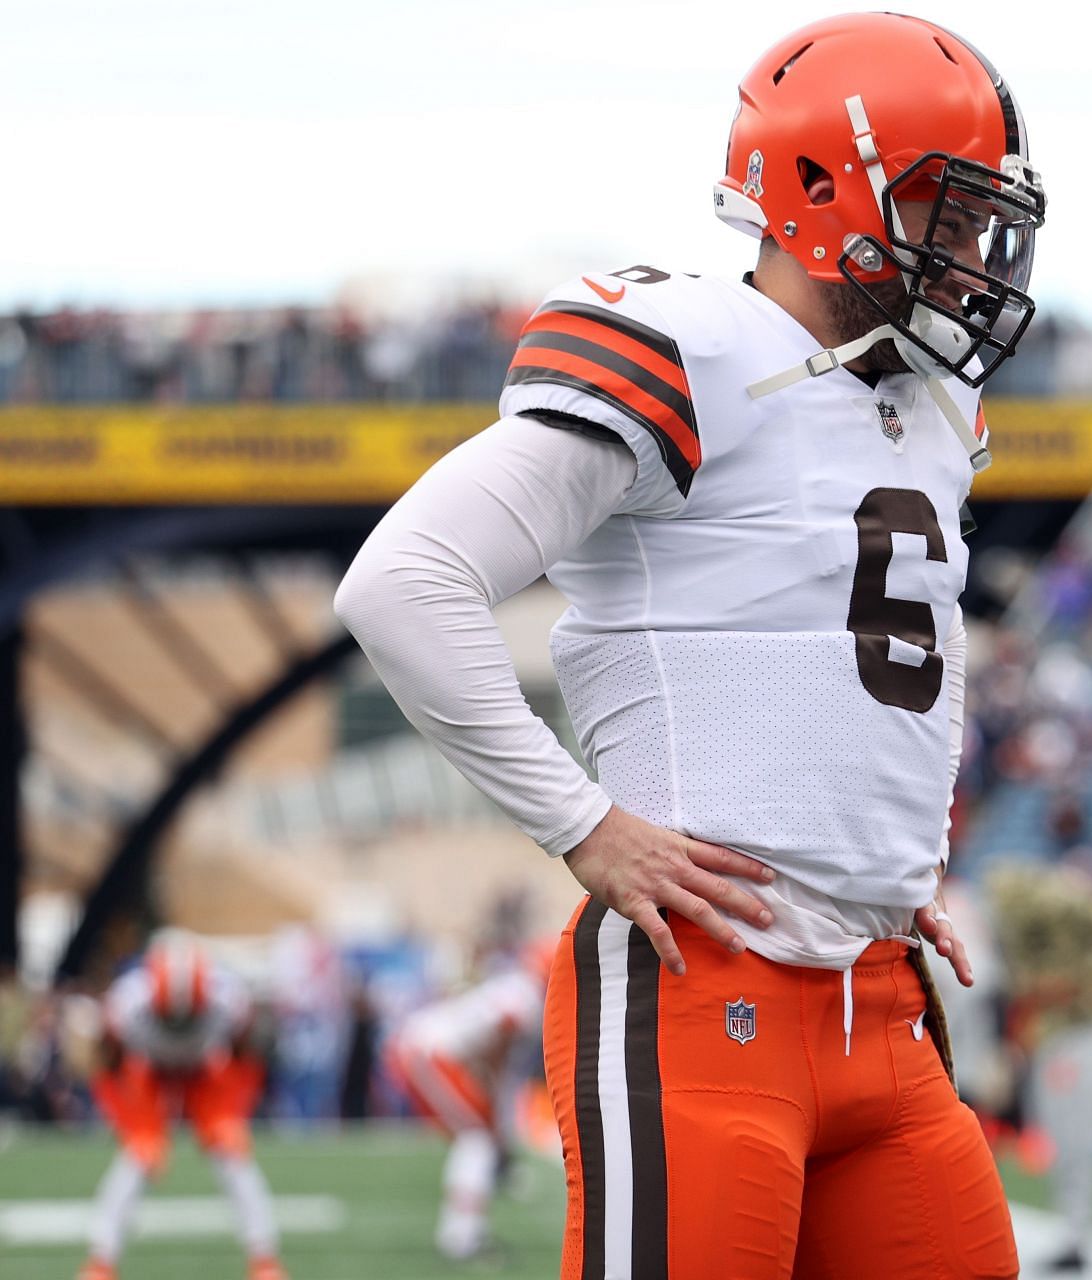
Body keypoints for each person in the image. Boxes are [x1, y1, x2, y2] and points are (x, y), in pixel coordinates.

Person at [333, 12, 1044, 1278]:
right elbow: (405, 580)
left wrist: (867, 855)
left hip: (881, 1004)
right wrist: (582, 822)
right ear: (826, 188)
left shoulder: (934, 401)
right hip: (700, 992)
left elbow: (842, 641)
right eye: (951, 214)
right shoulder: (696, 347)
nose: (977, 254)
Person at [78, 934, 286, 1280]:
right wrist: (130, 1119)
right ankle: (100, 1263)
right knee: (138, 1156)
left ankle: (265, 1262)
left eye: (188, 1018)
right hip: (149, 1073)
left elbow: (247, 1055)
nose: (178, 1027)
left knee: (232, 1153)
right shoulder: (125, 1005)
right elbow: (105, 1065)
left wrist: (231, 1110)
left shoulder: (230, 1001)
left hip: (206, 1072)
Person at [988, 853, 1092, 1273]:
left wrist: (1081, 980)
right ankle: (1072, 1232)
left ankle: (1079, 1235)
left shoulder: (1065, 909)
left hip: (1079, 1031)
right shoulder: (1024, 929)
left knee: (1078, 1139)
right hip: (1051, 1036)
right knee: (1059, 1137)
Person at [385, 943, 549, 1260]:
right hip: (429, 1052)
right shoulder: (526, 997)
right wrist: (494, 1106)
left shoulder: (518, 987)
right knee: (477, 1139)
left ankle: (464, 1231)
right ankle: (462, 1236)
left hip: (433, 1050)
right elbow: (497, 1050)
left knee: (476, 1139)